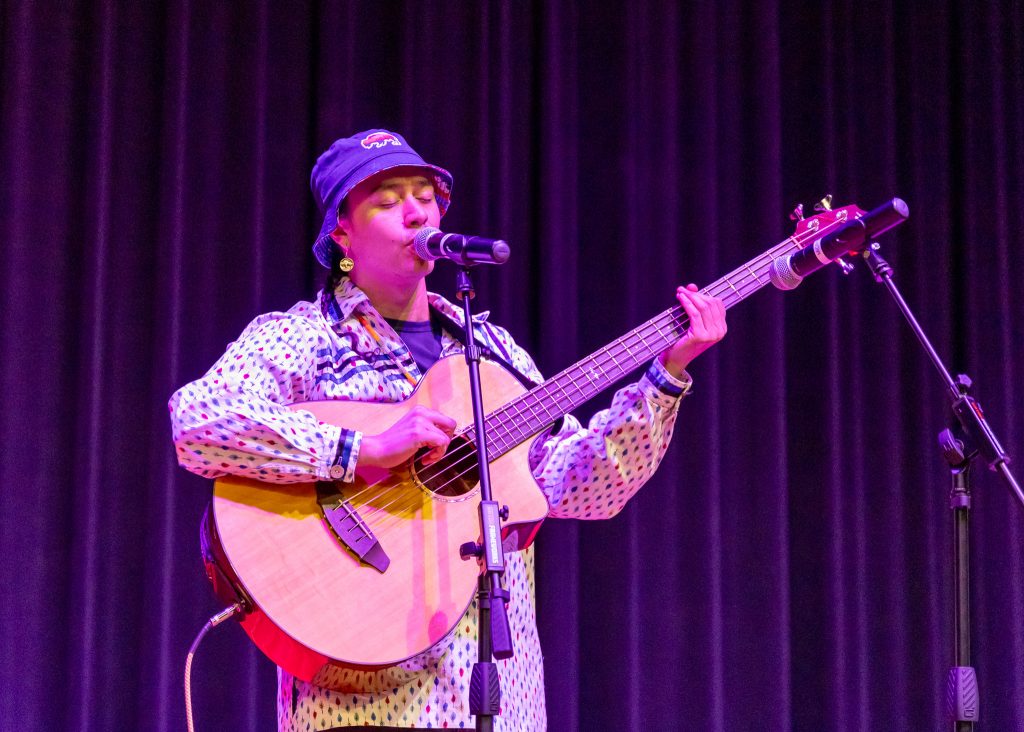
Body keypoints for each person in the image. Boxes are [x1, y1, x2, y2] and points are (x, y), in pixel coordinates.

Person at [169, 129, 727, 731]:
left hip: (493, 694)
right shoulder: (304, 336)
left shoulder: (489, 352)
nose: (416, 212)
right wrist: (364, 448)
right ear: (341, 235)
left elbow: (581, 488)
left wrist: (666, 376)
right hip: (360, 697)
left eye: (425, 196)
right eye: (386, 200)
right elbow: (199, 419)